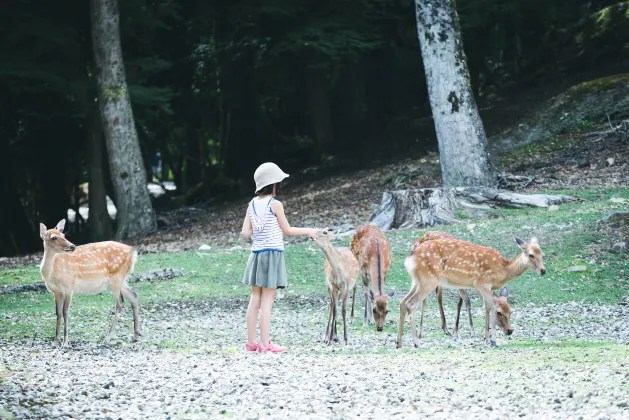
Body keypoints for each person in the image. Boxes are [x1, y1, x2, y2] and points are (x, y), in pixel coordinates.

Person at [241, 162, 317, 353]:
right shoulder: (275, 204)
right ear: (274, 184)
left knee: (254, 298)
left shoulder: (251, 204)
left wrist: (259, 229)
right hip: (272, 255)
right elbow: (288, 230)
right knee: (268, 300)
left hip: (256, 255)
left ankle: (251, 343)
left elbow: (245, 233)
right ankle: (266, 345)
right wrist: (309, 230)